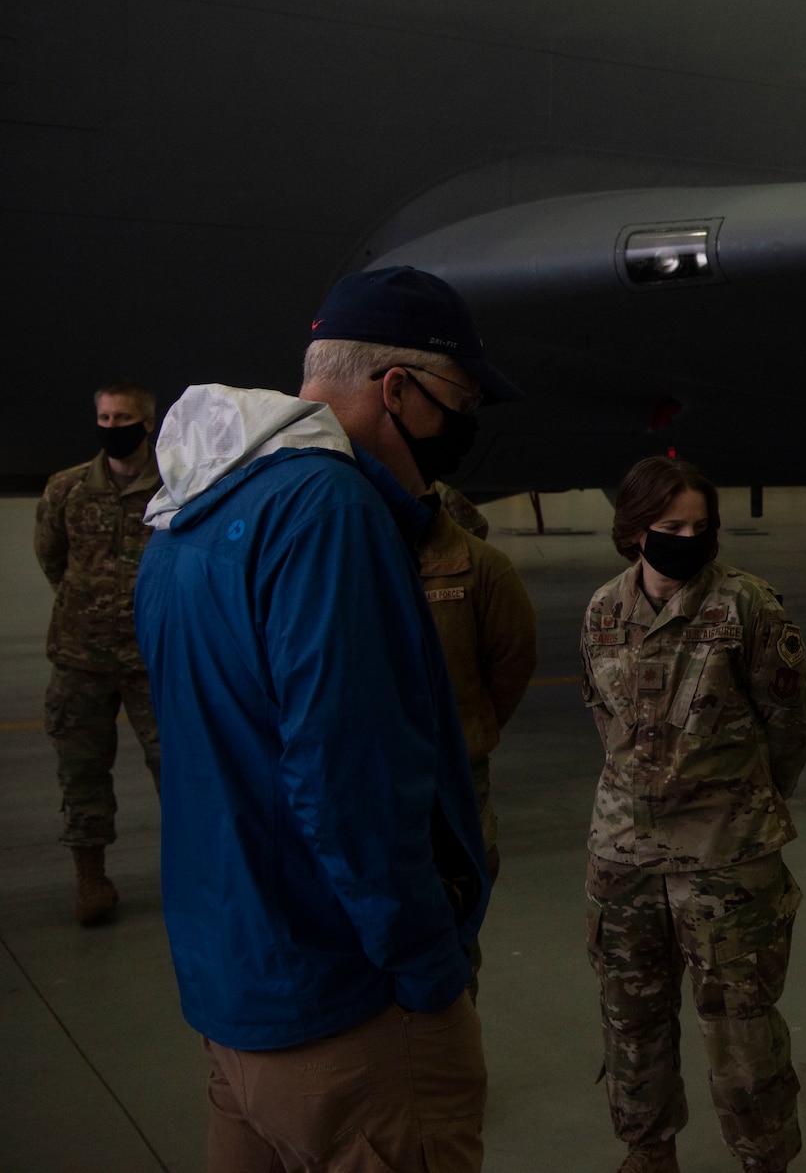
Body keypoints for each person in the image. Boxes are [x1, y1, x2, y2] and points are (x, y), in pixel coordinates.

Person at [134, 265, 521, 1173]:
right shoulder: (329, 509)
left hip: (235, 991)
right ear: (398, 390)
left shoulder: (191, 509)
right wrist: (428, 973)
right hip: (344, 1011)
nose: (464, 426)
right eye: (458, 399)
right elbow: (352, 784)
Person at [581, 458, 806, 1173]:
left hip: (726, 861)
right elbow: (604, 716)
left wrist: (742, 799)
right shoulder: (602, 611)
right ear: (635, 532)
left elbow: (793, 719)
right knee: (632, 1022)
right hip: (623, 858)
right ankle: (647, 1150)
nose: (688, 538)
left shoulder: (746, 607)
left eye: (699, 525)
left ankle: (765, 1160)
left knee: (742, 1034)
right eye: (671, 526)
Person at [33, 380, 162, 926]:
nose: (113, 428)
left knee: (181, 771)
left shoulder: (176, 487)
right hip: (80, 659)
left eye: (123, 418)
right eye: (105, 419)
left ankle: (200, 873)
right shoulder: (66, 489)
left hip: (153, 661)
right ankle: (91, 879)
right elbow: (53, 559)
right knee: (81, 773)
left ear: (148, 422)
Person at [419, 478, 538, 996]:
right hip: (373, 775)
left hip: (456, 772)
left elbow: (511, 661)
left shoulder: (478, 564)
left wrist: (472, 726)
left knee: (456, 914)